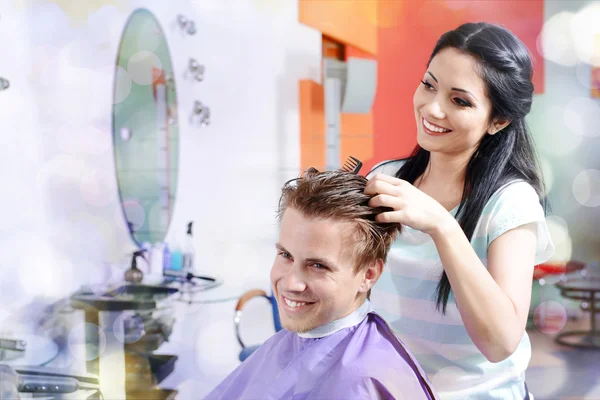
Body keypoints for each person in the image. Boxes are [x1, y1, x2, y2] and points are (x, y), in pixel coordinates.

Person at [365, 22, 554, 400]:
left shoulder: (510, 203)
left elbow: (500, 342)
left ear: (498, 121)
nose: (432, 108)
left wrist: (442, 225)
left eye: (460, 100)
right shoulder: (385, 178)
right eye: (429, 84)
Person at [207, 168, 437, 400]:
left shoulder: (362, 382)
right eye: (286, 255)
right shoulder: (299, 340)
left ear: (368, 275)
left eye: (318, 266)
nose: (291, 283)